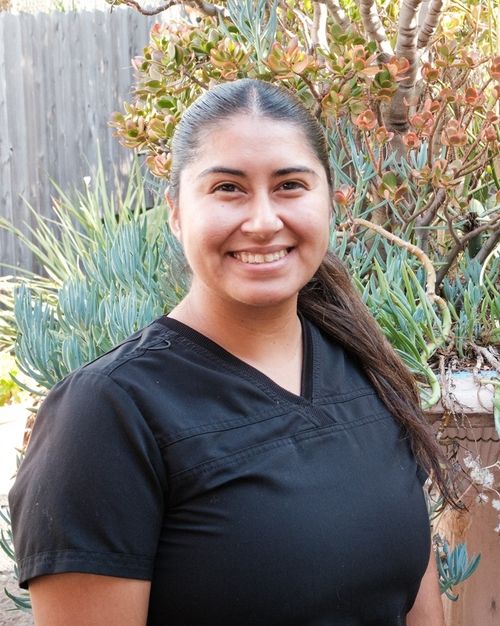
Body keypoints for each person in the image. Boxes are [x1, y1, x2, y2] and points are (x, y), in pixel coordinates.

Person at [9, 79, 450, 625]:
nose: (263, 222)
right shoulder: (108, 413)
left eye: (290, 185)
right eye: (227, 188)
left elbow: (419, 604)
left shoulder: (366, 369)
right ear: (175, 212)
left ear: (330, 201)